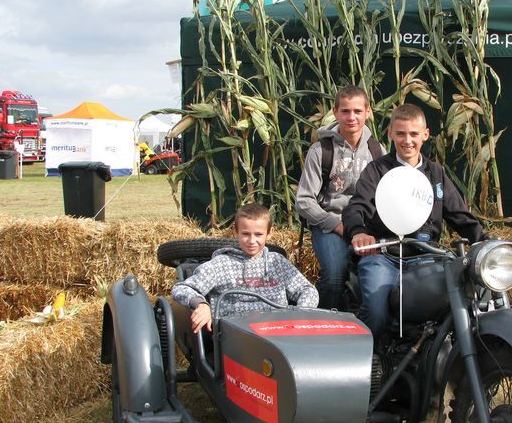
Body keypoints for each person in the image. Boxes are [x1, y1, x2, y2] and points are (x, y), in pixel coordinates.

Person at [342, 104, 486, 341]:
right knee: (376, 313)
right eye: (400, 133)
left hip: (425, 257)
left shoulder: (436, 173)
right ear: (390, 134)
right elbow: (356, 207)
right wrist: (358, 232)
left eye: (414, 134)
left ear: (425, 135)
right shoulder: (377, 170)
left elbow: (460, 215)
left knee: (451, 304)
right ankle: (373, 366)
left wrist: (484, 240)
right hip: (382, 256)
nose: (407, 141)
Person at [295, 86, 386, 310]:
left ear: (368, 112)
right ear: (335, 112)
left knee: (377, 277)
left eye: (357, 111)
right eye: (345, 111)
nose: (351, 117)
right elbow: (304, 201)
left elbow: (386, 196)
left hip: (365, 228)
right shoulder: (320, 151)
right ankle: (324, 327)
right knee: (335, 277)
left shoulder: (377, 150)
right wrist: (336, 225)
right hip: (331, 225)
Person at [172, 203, 318, 333]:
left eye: (258, 234)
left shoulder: (277, 262)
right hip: (236, 335)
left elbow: (307, 290)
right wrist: (201, 305)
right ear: (235, 232)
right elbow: (182, 289)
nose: (252, 241)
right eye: (246, 234)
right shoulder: (221, 264)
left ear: (270, 232)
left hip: (278, 331)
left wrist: (299, 314)